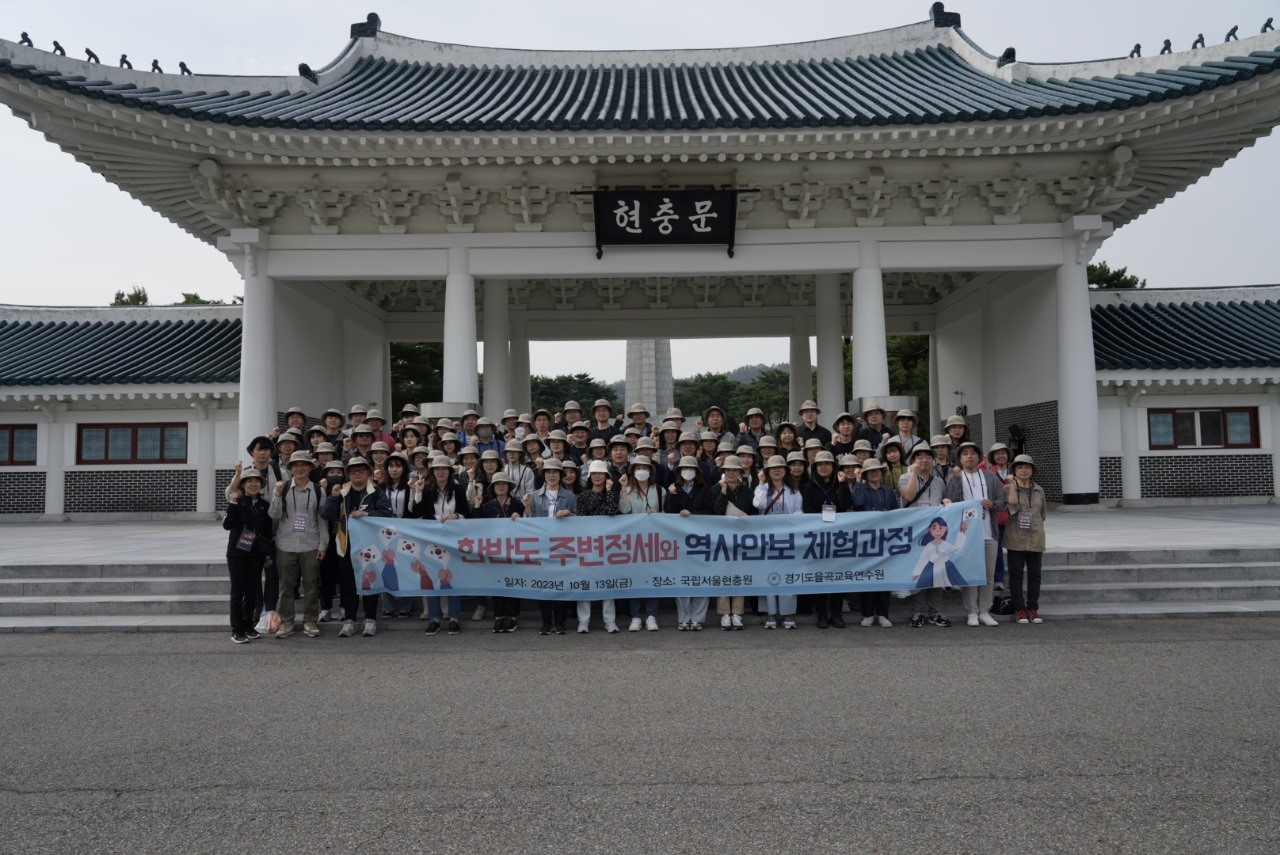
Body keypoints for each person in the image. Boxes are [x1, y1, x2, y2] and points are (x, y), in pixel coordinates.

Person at [320, 455, 392, 638]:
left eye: (361, 470)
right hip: (346, 545)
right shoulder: (341, 493)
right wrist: (333, 497)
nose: (357, 473)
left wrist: (367, 513)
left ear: (368, 472)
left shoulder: (376, 492)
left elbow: (387, 513)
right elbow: (326, 514)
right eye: (353, 471)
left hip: (370, 547)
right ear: (348, 474)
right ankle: (349, 620)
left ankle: (370, 620)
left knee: (369, 581)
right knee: (348, 584)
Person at [944, 441, 1006, 628]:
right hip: (966, 534)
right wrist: (955, 480)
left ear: (979, 458)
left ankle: (985, 611)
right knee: (970, 573)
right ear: (960, 458)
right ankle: (971, 611)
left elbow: (1002, 501)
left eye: (973, 453)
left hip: (988, 531)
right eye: (965, 454)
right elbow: (949, 502)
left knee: (988, 573)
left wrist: (993, 504)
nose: (969, 456)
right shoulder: (955, 477)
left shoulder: (990, 477)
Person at [268, 451, 329, 639]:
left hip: (310, 544)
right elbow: (274, 514)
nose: (300, 468)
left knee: (311, 584)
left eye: (304, 464)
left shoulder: (319, 490)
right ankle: (287, 621)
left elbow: (322, 520)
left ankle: (310, 620)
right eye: (295, 465)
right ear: (291, 468)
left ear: (310, 467)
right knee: (286, 586)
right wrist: (277, 495)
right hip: (285, 544)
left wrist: (322, 545)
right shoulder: (282, 488)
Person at [898, 444, 951, 628]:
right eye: (919, 457)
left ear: (933, 460)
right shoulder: (905, 478)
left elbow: (944, 504)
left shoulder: (939, 482)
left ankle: (936, 612)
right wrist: (913, 473)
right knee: (918, 573)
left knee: (937, 574)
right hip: (914, 535)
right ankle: (918, 612)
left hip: (935, 536)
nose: (924, 460)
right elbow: (908, 494)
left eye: (928, 457)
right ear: (913, 461)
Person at [417, 456, 471, 636]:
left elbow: (467, 513)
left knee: (451, 577)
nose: (440, 472)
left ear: (449, 471)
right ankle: (434, 618)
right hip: (432, 539)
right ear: (432, 472)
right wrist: (417, 494)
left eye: (444, 469)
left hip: (453, 539)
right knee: (433, 578)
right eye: (437, 469)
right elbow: (419, 514)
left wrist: (456, 516)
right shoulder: (426, 489)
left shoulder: (457, 489)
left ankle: (454, 617)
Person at [524, 458, 577, 634]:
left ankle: (560, 622)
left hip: (563, 546)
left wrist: (570, 513)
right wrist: (527, 507)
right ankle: (546, 622)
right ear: (544, 475)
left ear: (561, 475)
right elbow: (530, 523)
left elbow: (580, 522)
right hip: (542, 546)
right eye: (548, 472)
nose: (552, 475)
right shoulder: (535, 496)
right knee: (543, 585)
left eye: (555, 472)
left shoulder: (570, 496)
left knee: (561, 584)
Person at [802, 450, 853, 628]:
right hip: (817, 537)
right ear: (815, 467)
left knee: (837, 576)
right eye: (820, 464)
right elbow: (807, 510)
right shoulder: (809, 487)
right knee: (820, 576)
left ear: (833, 466)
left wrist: (843, 485)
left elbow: (846, 505)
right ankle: (822, 614)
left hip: (838, 537)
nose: (824, 467)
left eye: (827, 464)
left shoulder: (839, 484)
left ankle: (837, 614)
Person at [223, 466, 273, 643]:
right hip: (237, 553)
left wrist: (267, 552)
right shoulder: (237, 501)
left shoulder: (264, 505)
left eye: (256, 481)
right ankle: (237, 629)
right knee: (238, 591)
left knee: (252, 590)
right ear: (243, 485)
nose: (253, 484)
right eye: (249, 481)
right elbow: (227, 525)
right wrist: (233, 504)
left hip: (256, 553)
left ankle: (249, 625)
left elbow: (268, 530)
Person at [752, 455, 803, 629]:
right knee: (768, 576)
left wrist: (789, 522)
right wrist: (760, 484)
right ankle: (771, 614)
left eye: (780, 468)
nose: (776, 471)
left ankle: (787, 614)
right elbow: (757, 505)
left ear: (785, 471)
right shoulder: (763, 488)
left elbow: (798, 512)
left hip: (787, 539)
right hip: (767, 540)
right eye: (772, 468)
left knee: (787, 576)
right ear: (767, 472)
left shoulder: (794, 490)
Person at [665, 455, 714, 630]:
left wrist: (692, 514)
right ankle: (683, 617)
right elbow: (668, 513)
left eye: (691, 468)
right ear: (678, 472)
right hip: (679, 541)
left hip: (700, 540)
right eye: (684, 469)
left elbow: (711, 511)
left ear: (697, 471)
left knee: (701, 579)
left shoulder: (705, 489)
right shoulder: (673, 489)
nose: (687, 471)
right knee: (682, 579)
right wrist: (671, 496)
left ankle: (698, 618)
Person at [616, 457, 663, 631]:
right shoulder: (627, 489)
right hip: (633, 542)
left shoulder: (658, 490)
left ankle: (651, 615)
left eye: (645, 467)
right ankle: (635, 616)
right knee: (634, 578)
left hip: (654, 541)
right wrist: (622, 489)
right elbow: (624, 510)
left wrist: (658, 513)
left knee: (653, 578)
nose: (642, 470)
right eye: (638, 467)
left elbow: (666, 514)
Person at [477, 471, 526, 633]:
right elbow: (476, 525)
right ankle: (499, 616)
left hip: (514, 549)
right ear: (493, 487)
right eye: (498, 484)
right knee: (497, 583)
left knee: (513, 582)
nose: (501, 486)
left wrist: (520, 517)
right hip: (495, 550)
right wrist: (477, 507)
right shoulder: (487, 506)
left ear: (509, 487)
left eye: (504, 484)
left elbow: (528, 523)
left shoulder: (518, 504)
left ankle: (512, 617)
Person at [851, 458, 897, 627]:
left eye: (877, 470)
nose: (874, 473)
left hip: (885, 538)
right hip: (866, 539)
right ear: (865, 474)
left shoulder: (888, 490)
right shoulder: (860, 488)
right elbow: (857, 503)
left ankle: (883, 613)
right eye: (870, 471)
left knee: (884, 576)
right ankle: (868, 613)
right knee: (868, 576)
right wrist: (859, 483)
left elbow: (895, 512)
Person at [576, 460, 620, 633]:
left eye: (600, 473)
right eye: (594, 474)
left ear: (606, 476)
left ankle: (610, 621)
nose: (597, 476)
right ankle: (583, 621)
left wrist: (609, 491)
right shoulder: (583, 497)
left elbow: (611, 512)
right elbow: (581, 519)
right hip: (588, 544)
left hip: (607, 545)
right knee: (585, 582)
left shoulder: (611, 494)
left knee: (607, 583)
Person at [712, 457, 756, 629]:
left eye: (734, 470)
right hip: (722, 538)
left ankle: (737, 613)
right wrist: (723, 493)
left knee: (739, 574)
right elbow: (716, 511)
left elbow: (753, 512)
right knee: (723, 574)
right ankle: (724, 613)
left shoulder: (747, 490)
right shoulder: (716, 488)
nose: (731, 473)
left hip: (741, 538)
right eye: (728, 470)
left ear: (740, 472)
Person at [1004, 454, 1047, 625]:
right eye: (1020, 467)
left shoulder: (1039, 490)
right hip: (1016, 537)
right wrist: (1013, 484)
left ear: (1032, 470)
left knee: (1035, 575)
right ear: (1014, 470)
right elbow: (1012, 506)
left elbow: (1042, 514)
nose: (1024, 470)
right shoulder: (1008, 489)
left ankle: (1033, 607)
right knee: (1016, 575)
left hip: (1036, 536)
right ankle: (1019, 609)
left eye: (1027, 467)